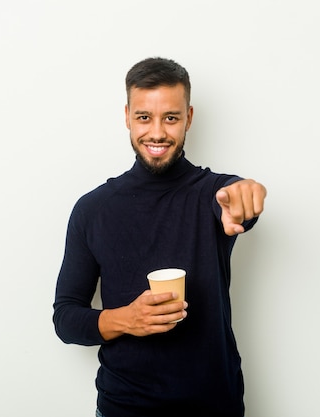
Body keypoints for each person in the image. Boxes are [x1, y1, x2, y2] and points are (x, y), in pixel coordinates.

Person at [53, 57, 267, 417]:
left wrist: (246, 195)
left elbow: (236, 197)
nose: (157, 132)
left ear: (189, 118)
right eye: (143, 117)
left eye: (170, 117)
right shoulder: (93, 209)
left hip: (215, 405)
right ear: (126, 117)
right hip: (124, 407)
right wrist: (126, 319)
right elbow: (66, 318)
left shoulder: (214, 193)